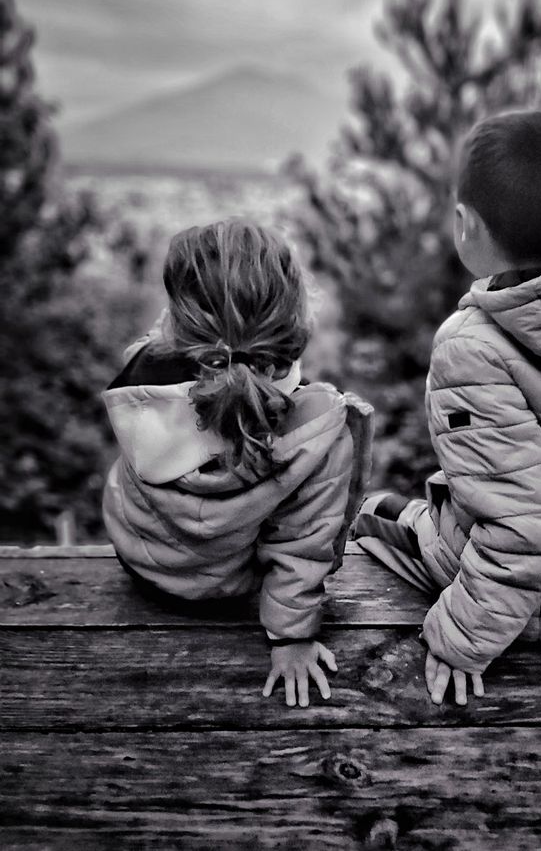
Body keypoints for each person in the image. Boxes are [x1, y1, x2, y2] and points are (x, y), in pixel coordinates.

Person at [355, 110, 541, 707]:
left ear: (465, 225)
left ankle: (374, 514)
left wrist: (457, 642)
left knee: (371, 519)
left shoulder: (469, 347)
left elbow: (521, 535)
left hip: (530, 606)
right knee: (431, 501)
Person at [102, 219, 373, 708]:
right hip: (227, 590)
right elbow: (303, 543)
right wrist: (292, 640)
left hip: (143, 566)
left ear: (181, 324)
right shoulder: (316, 428)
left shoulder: (140, 384)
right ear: (294, 314)